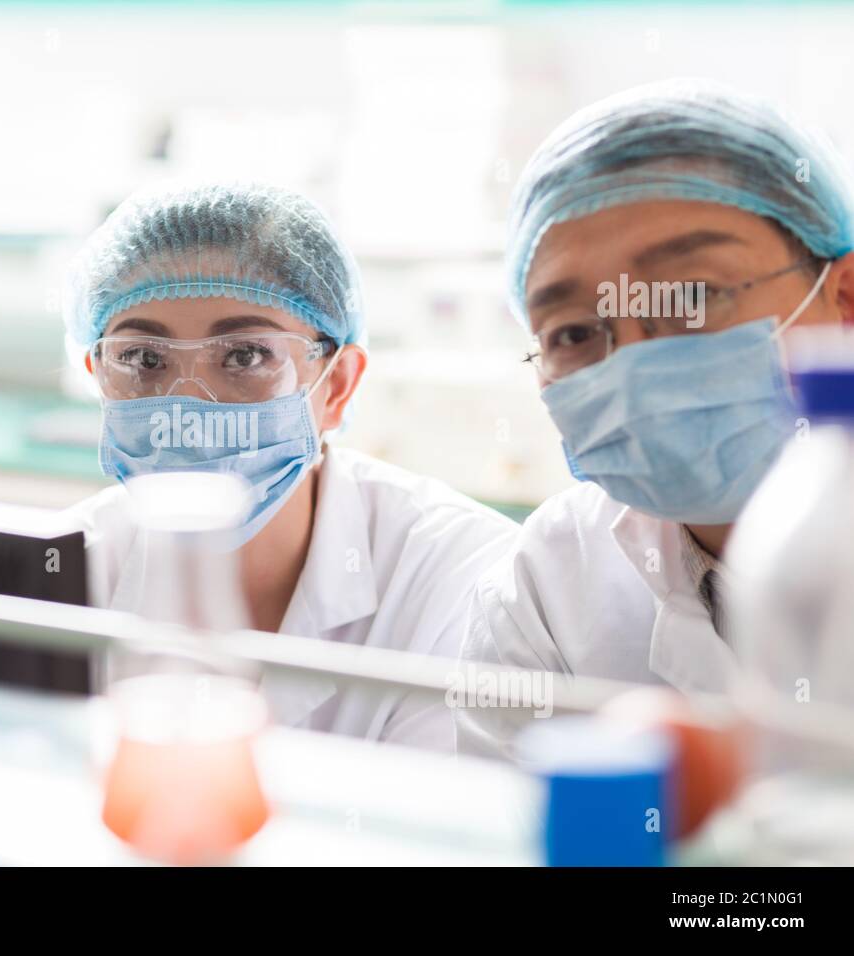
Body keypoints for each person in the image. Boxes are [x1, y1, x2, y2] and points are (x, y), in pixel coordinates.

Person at [457, 79, 854, 757]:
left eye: (691, 297)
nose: (633, 363)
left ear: (843, 298)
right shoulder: (549, 583)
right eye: (575, 333)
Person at [61, 182, 517, 749]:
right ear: (98, 374)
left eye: (245, 356)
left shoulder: (462, 577)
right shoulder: (61, 569)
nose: (191, 403)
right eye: (143, 359)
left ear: (338, 387)